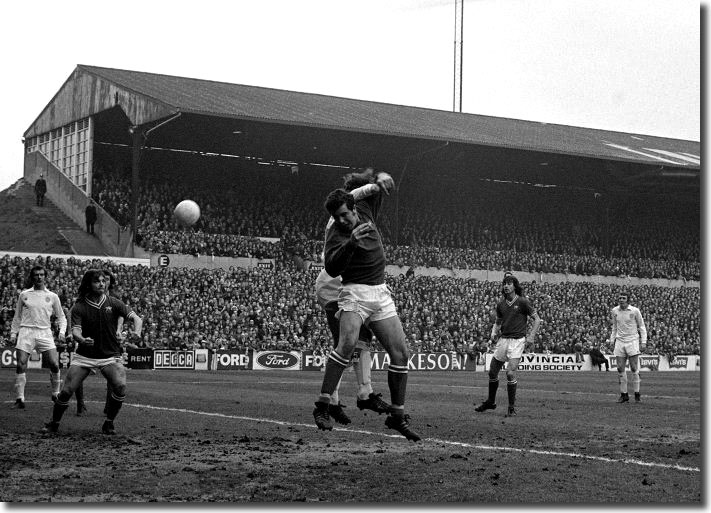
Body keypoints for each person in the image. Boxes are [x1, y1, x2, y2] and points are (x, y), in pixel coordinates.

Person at [313, 173, 421, 442]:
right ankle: (323, 406)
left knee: (401, 353)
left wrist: (382, 178)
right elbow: (332, 267)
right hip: (354, 293)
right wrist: (350, 244)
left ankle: (397, 416)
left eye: (343, 215)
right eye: (336, 217)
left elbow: (372, 191)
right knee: (346, 344)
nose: (341, 220)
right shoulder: (335, 232)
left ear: (352, 208)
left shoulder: (364, 209)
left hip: (380, 292)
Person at [313, 169, 392, 425]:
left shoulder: (356, 216)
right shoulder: (341, 216)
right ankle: (336, 400)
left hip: (346, 285)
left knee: (361, 340)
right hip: (334, 286)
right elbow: (356, 195)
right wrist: (374, 187)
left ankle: (361, 392)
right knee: (346, 344)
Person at [41, 269, 142, 435]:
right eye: (97, 281)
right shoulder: (80, 306)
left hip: (109, 356)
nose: (101, 284)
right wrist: (81, 340)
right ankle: (54, 423)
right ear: (89, 284)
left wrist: (137, 333)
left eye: (103, 281)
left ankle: (109, 423)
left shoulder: (114, 302)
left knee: (121, 387)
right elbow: (76, 331)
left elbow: (136, 318)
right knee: (66, 391)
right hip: (85, 357)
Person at [474, 274, 541, 417]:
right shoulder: (501, 304)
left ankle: (511, 407)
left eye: (509, 283)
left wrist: (531, 336)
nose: (506, 286)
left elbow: (537, 319)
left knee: (510, 373)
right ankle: (491, 402)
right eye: (504, 283)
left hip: (517, 341)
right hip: (503, 340)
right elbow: (498, 322)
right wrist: (493, 333)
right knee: (492, 372)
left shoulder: (523, 302)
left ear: (514, 286)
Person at [9, 265, 66, 409]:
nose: (39, 277)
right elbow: (17, 316)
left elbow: (61, 317)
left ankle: (55, 394)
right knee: (21, 363)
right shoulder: (24, 295)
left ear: (45, 277)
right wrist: (13, 333)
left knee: (54, 363)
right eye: (36, 275)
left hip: (45, 332)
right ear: (32, 277)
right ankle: (20, 398)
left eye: (41, 275)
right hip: (26, 331)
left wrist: (62, 332)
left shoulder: (52, 296)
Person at [608, 291, 647, 403]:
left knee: (634, 368)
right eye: (620, 298)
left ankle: (637, 394)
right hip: (620, 341)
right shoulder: (615, 311)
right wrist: (612, 340)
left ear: (628, 300)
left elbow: (642, 326)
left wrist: (643, 342)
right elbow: (614, 327)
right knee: (620, 368)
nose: (621, 300)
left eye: (623, 298)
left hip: (632, 341)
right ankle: (624, 395)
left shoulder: (635, 311)